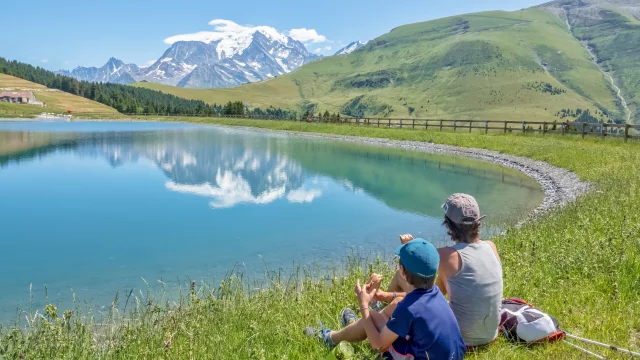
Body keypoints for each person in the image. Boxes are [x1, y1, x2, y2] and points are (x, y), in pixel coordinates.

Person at [377, 193, 504, 347]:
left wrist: (410, 247)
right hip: (490, 335)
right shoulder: (491, 246)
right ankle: (382, 303)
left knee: (401, 275)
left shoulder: (446, 256)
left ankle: (377, 312)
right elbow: (436, 291)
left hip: (457, 338)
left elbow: (422, 287)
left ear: (449, 225)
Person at [306, 240, 466, 360]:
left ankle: (331, 337)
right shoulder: (436, 292)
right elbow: (410, 299)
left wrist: (364, 305)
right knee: (376, 316)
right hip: (453, 355)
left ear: (402, 271)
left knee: (374, 326)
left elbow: (377, 344)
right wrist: (383, 295)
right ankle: (351, 329)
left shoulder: (408, 309)